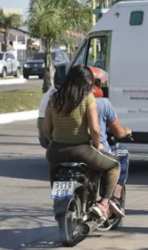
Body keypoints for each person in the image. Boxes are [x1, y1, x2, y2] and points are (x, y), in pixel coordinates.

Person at [43, 65, 120, 221]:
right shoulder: (87, 98)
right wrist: (98, 144)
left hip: (56, 151)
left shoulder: (54, 98)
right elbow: (95, 129)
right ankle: (103, 204)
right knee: (114, 165)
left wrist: (54, 142)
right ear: (87, 82)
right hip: (81, 150)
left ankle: (59, 201)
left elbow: (46, 129)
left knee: (55, 169)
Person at [88, 67, 131, 218]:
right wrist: (127, 131)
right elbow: (118, 132)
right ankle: (113, 198)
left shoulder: (69, 101)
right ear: (96, 84)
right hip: (97, 150)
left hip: (68, 148)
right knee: (122, 152)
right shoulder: (103, 103)